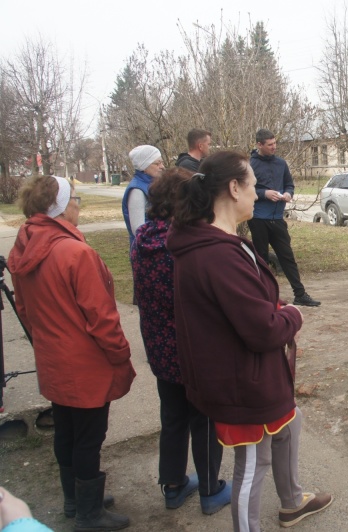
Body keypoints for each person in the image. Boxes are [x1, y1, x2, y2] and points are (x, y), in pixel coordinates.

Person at [166, 151, 333, 531]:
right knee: (253, 463)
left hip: (247, 373)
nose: (258, 195)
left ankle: (291, 501)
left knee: (291, 422)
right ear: (233, 187)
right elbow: (262, 330)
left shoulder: (214, 242)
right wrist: (291, 315)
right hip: (242, 379)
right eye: (254, 187)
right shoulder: (216, 253)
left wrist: (269, 306)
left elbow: (238, 305)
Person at [8, 176, 135, 531]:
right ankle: (89, 514)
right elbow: (102, 318)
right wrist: (120, 355)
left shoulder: (23, 246)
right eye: (76, 199)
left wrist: (46, 338)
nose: (80, 205)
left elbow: (24, 308)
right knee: (88, 437)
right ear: (61, 207)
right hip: (85, 363)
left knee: (66, 431)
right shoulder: (75, 252)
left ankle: (74, 498)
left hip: (54, 359)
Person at [130, 167, 232, 514]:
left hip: (158, 345)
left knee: (172, 416)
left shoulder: (142, 239)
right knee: (203, 418)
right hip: (192, 347)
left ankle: (173, 485)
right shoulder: (184, 243)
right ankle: (209, 489)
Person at [249, 129, 320, 307]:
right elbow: (246, 190)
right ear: (259, 145)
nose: (274, 147)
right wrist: (264, 193)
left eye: (275, 143)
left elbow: (289, 184)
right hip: (258, 218)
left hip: (277, 218)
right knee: (262, 259)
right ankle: (263, 298)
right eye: (270, 144)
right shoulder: (250, 165)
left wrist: (288, 193)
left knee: (287, 256)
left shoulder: (281, 163)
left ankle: (300, 294)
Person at [123, 145, 164, 247]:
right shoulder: (137, 190)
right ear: (144, 167)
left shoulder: (152, 185)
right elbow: (138, 230)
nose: (162, 166)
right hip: (147, 251)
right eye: (157, 163)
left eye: (162, 162)